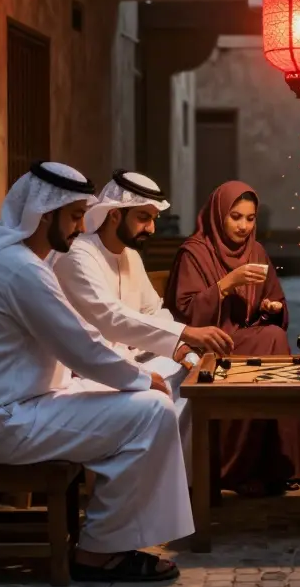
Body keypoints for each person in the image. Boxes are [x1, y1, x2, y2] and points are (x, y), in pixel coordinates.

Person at [0, 162, 189, 583]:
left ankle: (114, 537)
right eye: (74, 216)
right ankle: (99, 553)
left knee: (151, 399)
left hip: (15, 407)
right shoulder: (20, 269)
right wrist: (138, 378)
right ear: (44, 213)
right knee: (151, 409)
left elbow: (80, 343)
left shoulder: (15, 257)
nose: (80, 227)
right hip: (3, 421)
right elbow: (80, 346)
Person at [52, 170, 235, 477]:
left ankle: (184, 484)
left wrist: (184, 351)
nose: (151, 228)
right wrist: (187, 332)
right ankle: (149, 482)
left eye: (152, 219)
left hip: (128, 360)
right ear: (113, 216)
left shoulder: (129, 257)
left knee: (195, 379)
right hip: (90, 371)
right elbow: (112, 318)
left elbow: (154, 311)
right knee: (163, 392)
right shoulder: (78, 257)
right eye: (143, 217)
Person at [164, 180, 300, 496]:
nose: (244, 226)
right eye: (236, 217)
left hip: (242, 338)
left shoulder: (255, 250)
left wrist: (270, 308)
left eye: (250, 218)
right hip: (206, 341)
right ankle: (243, 467)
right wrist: (225, 285)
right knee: (271, 342)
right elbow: (184, 314)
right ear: (219, 215)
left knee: (272, 335)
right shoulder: (194, 252)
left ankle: (273, 463)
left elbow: (275, 301)